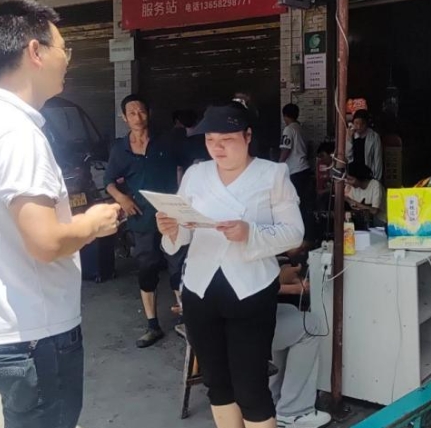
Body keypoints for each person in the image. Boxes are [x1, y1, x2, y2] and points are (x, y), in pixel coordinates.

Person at [0, 0, 121, 428]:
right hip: (33, 335)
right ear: (35, 52)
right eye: (63, 48)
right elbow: (45, 242)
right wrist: (93, 223)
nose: (67, 60)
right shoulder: (16, 133)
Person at [157, 103, 304, 428]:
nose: (218, 148)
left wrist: (250, 233)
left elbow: (294, 233)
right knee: (216, 383)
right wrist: (171, 229)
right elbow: (182, 234)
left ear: (248, 136)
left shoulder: (272, 174)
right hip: (200, 290)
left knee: (251, 386)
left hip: (251, 291)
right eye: (210, 140)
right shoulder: (196, 175)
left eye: (227, 139)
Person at [105, 95, 185, 348]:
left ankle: (185, 319)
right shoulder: (120, 149)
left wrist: (183, 197)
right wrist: (122, 199)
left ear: (148, 113)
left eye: (141, 111)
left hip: (171, 217)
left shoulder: (167, 141)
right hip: (141, 218)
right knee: (147, 268)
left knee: (178, 266)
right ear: (124, 118)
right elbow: (108, 181)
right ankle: (152, 325)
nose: (137, 117)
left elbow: (186, 167)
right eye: (132, 113)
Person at [271, 260, 332, 428]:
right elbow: (255, 289)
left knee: (290, 312)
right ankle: (293, 412)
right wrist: (295, 288)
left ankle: (273, 398)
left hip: (223, 325)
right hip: (239, 328)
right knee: (310, 325)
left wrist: (281, 276)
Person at [279, 103, 311, 200]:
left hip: (295, 170)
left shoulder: (289, 129)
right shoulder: (301, 128)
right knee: (304, 200)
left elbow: (286, 149)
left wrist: (279, 165)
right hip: (305, 168)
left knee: (294, 200)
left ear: (284, 116)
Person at [345, 162, 386, 228]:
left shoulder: (375, 185)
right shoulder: (351, 187)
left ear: (359, 177)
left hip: (379, 223)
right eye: (347, 179)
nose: (348, 182)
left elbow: (374, 211)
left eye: (351, 179)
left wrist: (350, 201)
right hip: (362, 223)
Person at [346, 109, 383, 182]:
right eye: (356, 123)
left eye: (362, 124)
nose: (359, 126)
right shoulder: (351, 135)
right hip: (353, 176)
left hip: (368, 176)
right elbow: (347, 156)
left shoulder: (374, 137)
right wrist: (349, 139)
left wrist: (376, 179)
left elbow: (377, 159)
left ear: (367, 124)